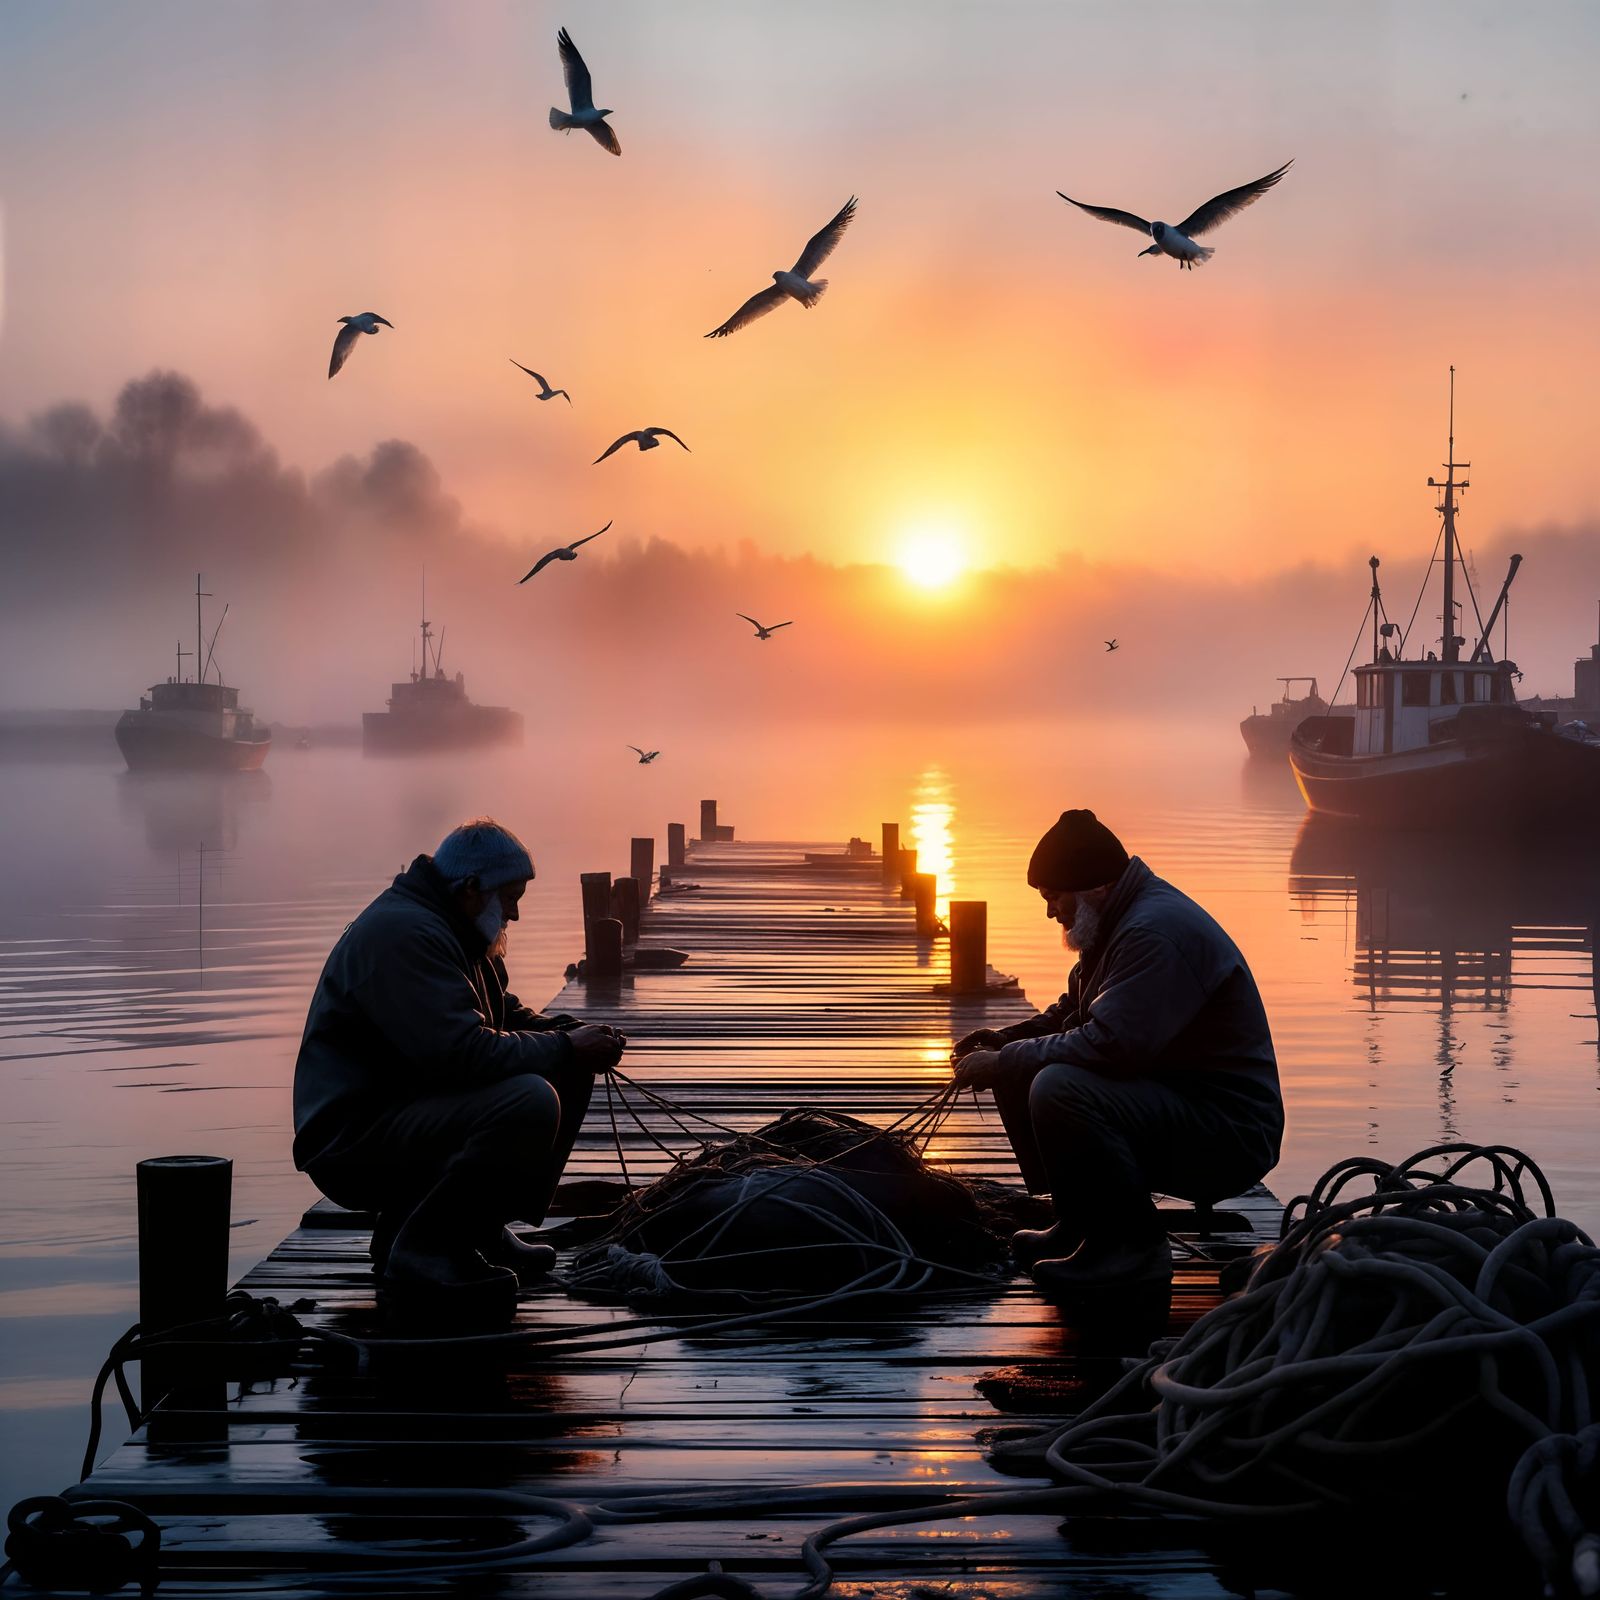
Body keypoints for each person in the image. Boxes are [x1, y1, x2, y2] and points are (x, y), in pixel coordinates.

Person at [292, 817, 624, 1317]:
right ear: (472, 888)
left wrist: (568, 1032)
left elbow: (500, 1012)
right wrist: (563, 1046)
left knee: (569, 1063)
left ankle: (477, 1229)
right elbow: (462, 1055)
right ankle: (426, 1251)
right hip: (351, 1139)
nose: (515, 914)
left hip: (403, 1108)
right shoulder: (405, 934)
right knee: (530, 1099)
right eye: (509, 899)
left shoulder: (453, 923)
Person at [952, 809, 1283, 1296]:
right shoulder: (1115, 919)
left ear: (1094, 887)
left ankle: (1132, 1250)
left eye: (1054, 897)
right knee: (1026, 1064)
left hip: (1229, 1130)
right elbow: (1073, 1012)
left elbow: (1113, 1046)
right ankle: (1082, 1222)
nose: (1050, 912)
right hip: (1179, 1098)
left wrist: (1006, 1061)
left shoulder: (1152, 933)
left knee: (1059, 1086)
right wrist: (1005, 1040)